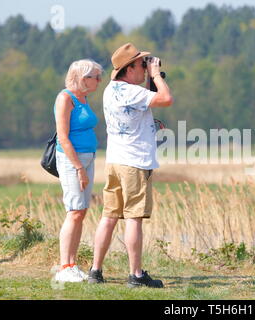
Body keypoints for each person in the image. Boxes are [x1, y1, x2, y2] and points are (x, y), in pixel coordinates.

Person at [88, 43, 173, 288]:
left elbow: (145, 103)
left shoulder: (111, 90)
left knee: (109, 216)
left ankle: (95, 270)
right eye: (141, 64)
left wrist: (150, 80)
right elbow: (166, 99)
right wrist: (157, 75)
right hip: (135, 163)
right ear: (129, 68)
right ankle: (135, 275)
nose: (146, 68)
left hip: (115, 161)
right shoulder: (133, 93)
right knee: (134, 218)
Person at [54, 59, 103, 282]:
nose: (99, 81)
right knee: (74, 210)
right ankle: (65, 266)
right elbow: (63, 137)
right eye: (95, 77)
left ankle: (72, 264)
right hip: (72, 160)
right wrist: (79, 168)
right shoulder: (66, 98)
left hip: (88, 157)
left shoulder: (83, 98)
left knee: (81, 211)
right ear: (82, 78)